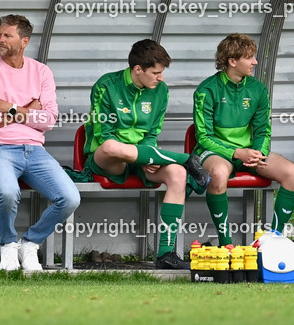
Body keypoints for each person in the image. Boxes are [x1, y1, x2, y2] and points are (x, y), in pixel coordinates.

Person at [82, 39, 210, 270]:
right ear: (137, 69)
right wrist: (146, 156)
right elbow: (104, 136)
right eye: (155, 73)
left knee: (179, 174)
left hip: (145, 158)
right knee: (111, 146)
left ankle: (166, 254)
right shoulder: (106, 85)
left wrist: (146, 158)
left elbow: (152, 133)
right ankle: (186, 158)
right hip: (108, 160)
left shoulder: (161, 90)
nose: (160, 78)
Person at [0, 14, 81, 272]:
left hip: (35, 150)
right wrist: (29, 110)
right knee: (8, 192)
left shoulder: (41, 72)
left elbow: (49, 120)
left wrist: (7, 107)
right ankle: (8, 245)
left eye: (7, 35)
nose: (0, 39)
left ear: (24, 41)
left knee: (70, 197)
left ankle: (30, 243)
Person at [192, 34, 294, 244]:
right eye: (249, 57)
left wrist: (258, 152)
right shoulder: (206, 90)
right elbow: (204, 137)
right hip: (216, 152)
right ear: (232, 61)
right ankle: (226, 244)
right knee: (218, 174)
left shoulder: (258, 89)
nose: (255, 62)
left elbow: (263, 130)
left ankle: (274, 240)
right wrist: (236, 152)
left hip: (249, 153)